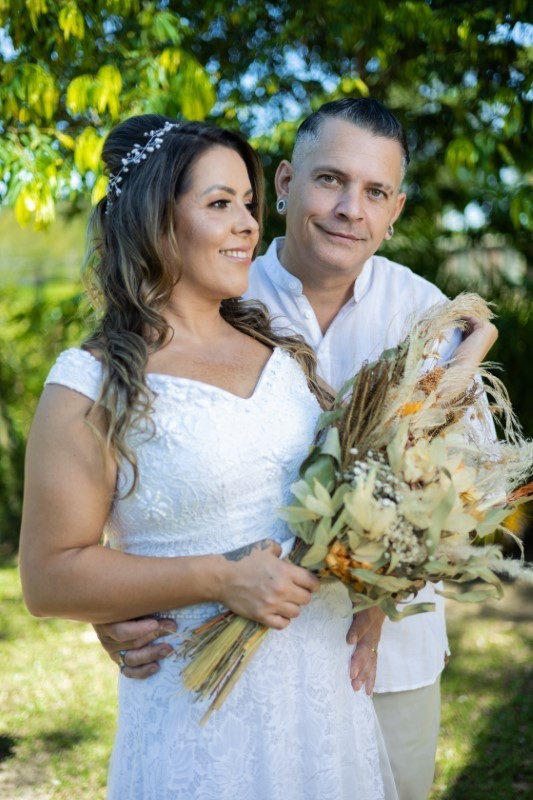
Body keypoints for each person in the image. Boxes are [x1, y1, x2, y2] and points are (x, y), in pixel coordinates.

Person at [92, 99, 498, 800]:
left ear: (395, 210)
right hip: (235, 670)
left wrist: (381, 580)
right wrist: (109, 604)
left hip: (386, 662)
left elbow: (461, 490)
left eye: (375, 192)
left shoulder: (428, 317)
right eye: (330, 179)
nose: (350, 209)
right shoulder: (214, 290)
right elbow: (139, 462)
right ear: (284, 183)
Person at [20, 113, 403, 799]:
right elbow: (48, 578)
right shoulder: (93, 381)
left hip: (321, 703)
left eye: (249, 205)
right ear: (155, 220)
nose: (249, 226)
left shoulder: (282, 353)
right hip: (200, 720)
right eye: (220, 203)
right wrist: (218, 579)